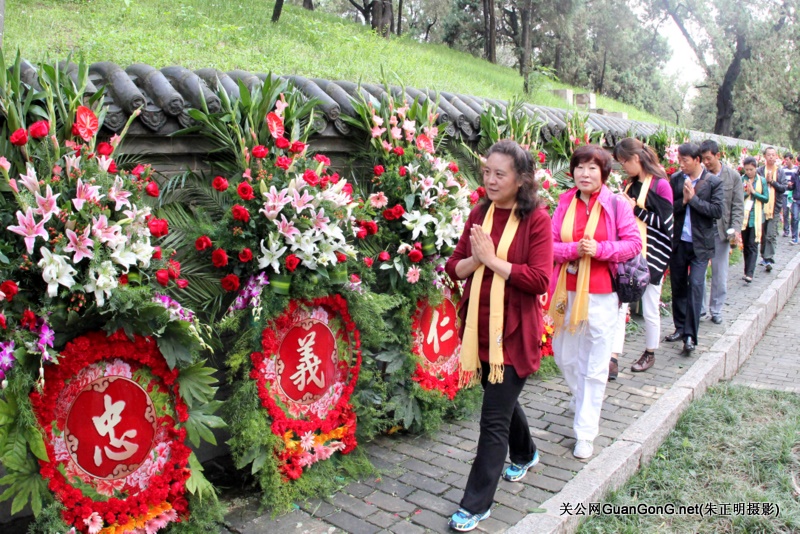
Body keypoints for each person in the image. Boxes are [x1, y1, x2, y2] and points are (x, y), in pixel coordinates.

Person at [444, 140, 553, 532]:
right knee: (500, 403)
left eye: (499, 174)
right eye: (487, 171)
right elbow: (454, 267)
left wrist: (493, 261)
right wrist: (476, 260)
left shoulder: (536, 220)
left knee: (492, 420)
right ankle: (525, 453)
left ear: (521, 180)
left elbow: (540, 279)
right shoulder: (480, 212)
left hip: (515, 331)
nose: (490, 180)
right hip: (479, 328)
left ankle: (475, 504)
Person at [550, 145, 641, 459]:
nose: (585, 174)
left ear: (604, 173)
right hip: (567, 290)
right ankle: (582, 398)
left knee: (595, 363)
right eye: (580, 167)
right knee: (563, 355)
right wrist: (574, 249)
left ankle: (585, 431)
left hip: (602, 293)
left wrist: (599, 249)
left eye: (592, 168)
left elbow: (632, 244)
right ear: (572, 171)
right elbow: (549, 245)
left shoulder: (615, 204)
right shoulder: (565, 202)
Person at [608, 138, 674, 377]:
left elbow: (666, 226)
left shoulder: (661, 185)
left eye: (624, 161)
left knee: (649, 308)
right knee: (620, 304)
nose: (623, 166)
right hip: (629, 254)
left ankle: (650, 351)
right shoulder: (630, 184)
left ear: (636, 159)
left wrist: (635, 209)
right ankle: (613, 358)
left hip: (653, 254)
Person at [664, 143, 723, 353]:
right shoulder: (677, 179)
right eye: (679, 160)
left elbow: (716, 210)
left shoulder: (713, 182)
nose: (681, 164)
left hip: (700, 245)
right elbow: (670, 207)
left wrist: (693, 200)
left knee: (696, 286)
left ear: (697, 160)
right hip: (679, 242)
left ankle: (690, 336)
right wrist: (685, 202)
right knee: (678, 286)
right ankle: (680, 327)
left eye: (685, 161)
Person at [699, 140, 744, 324]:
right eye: (703, 159)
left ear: (718, 155)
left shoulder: (732, 177)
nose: (706, 162)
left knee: (720, 272)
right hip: (702, 230)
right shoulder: (701, 176)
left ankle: (716, 309)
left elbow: (738, 205)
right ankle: (700, 309)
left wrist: (735, 229)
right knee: (698, 272)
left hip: (722, 231)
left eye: (708, 158)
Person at [758, 147, 787, 271]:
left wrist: (772, 182)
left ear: (776, 157)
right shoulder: (760, 171)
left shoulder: (780, 172)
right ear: (765, 156)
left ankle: (769, 258)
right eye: (768, 155)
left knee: (771, 234)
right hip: (761, 206)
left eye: (773, 155)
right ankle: (764, 255)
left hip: (775, 207)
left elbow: (783, 188)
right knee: (763, 234)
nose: (771, 157)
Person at [741, 157, 769, 283]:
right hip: (744, 218)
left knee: (753, 245)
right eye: (746, 169)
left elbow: (766, 198)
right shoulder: (742, 179)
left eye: (751, 169)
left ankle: (750, 273)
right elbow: (738, 196)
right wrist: (747, 193)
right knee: (746, 245)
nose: (749, 172)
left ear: (756, 168)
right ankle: (746, 270)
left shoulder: (761, 181)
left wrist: (754, 193)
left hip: (756, 218)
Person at [781, 153, 796, 238]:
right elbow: (782, 181)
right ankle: (786, 230)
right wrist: (787, 184)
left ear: (791, 160)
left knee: (794, 213)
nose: (786, 162)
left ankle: (794, 230)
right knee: (785, 212)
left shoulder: (796, 170)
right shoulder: (783, 170)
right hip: (785, 193)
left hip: (793, 194)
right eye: (785, 160)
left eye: (787, 160)